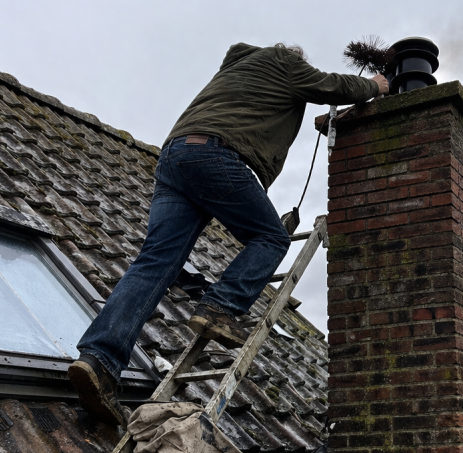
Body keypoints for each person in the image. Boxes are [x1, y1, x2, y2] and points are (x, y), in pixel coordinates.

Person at [69, 43, 388, 426]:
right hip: (215, 155)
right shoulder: (285, 61)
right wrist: (375, 85)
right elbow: (334, 86)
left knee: (154, 263)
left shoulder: (236, 72)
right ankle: (220, 307)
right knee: (271, 238)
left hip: (174, 159)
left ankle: (99, 361)